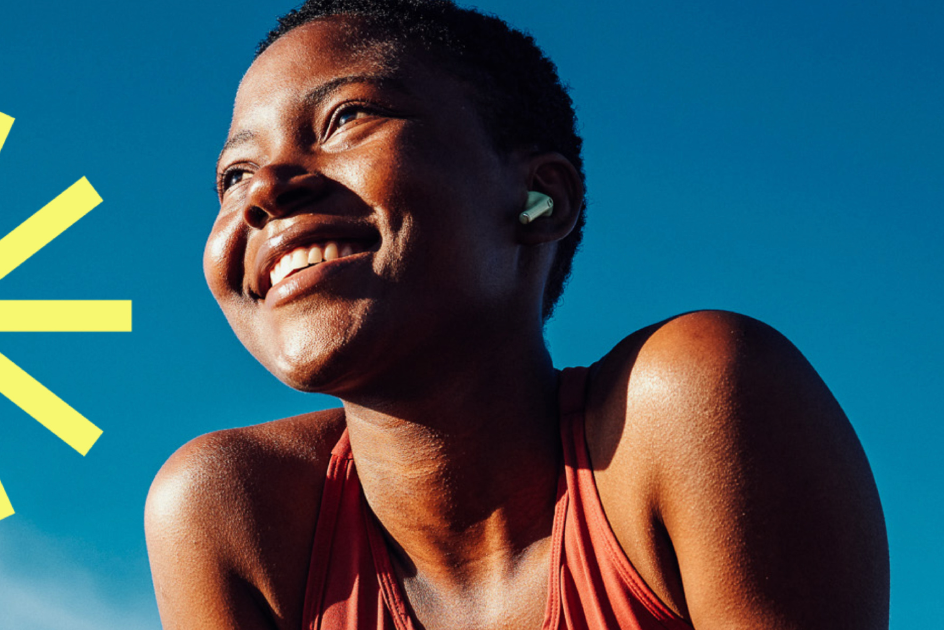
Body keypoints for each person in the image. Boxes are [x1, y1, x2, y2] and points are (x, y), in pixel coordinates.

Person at [144, 0, 889, 628]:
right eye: (233, 175)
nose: (266, 188)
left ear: (540, 201)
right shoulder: (237, 514)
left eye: (346, 118)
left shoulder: (690, 404)